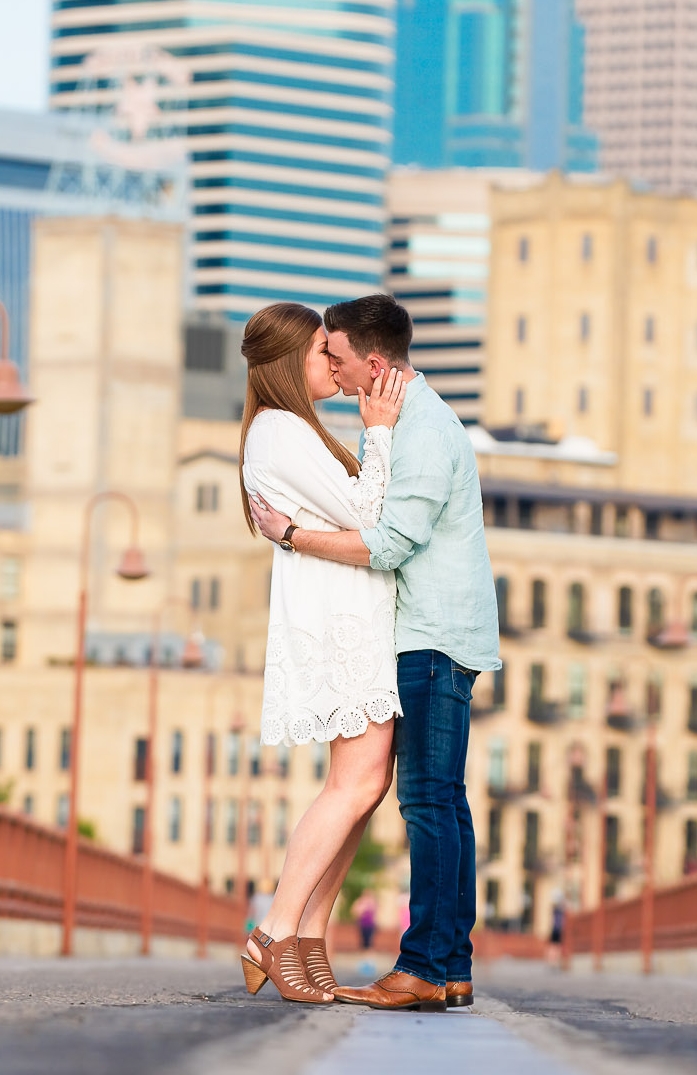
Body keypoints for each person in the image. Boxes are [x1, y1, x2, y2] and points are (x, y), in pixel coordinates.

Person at [250, 294, 500, 1014]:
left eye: (337, 356)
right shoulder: (408, 423)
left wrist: (292, 537)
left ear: (375, 363)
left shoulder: (416, 430)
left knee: (427, 801)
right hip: (434, 633)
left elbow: (386, 544)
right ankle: (449, 964)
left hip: (429, 635)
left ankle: (423, 965)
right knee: (443, 801)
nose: (331, 367)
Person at [236, 302, 409, 1005]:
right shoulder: (277, 431)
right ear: (287, 363)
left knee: (363, 791)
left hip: (351, 622)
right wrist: (380, 435)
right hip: (340, 628)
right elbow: (370, 515)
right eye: (319, 353)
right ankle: (273, 931)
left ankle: (308, 937)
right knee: (354, 786)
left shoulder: (293, 429)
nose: (332, 363)